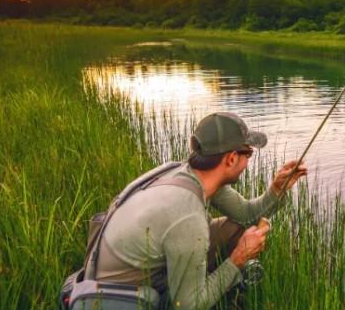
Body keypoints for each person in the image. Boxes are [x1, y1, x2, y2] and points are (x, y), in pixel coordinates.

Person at [93, 112, 307, 309]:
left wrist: (277, 190)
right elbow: (186, 306)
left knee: (236, 227)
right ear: (231, 158)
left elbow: (246, 215)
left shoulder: (187, 172)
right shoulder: (187, 216)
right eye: (248, 153)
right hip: (124, 293)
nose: (247, 162)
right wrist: (238, 258)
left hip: (135, 265)